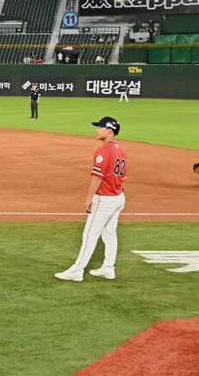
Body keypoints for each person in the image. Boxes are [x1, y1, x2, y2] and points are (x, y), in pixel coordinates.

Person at [55, 116, 127, 281]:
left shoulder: (103, 151)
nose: (96, 129)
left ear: (109, 130)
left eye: (100, 127)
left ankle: (77, 271)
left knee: (89, 235)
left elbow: (97, 177)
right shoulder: (121, 151)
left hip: (105, 199)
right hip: (118, 197)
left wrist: (90, 198)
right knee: (109, 234)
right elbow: (121, 178)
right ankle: (109, 268)